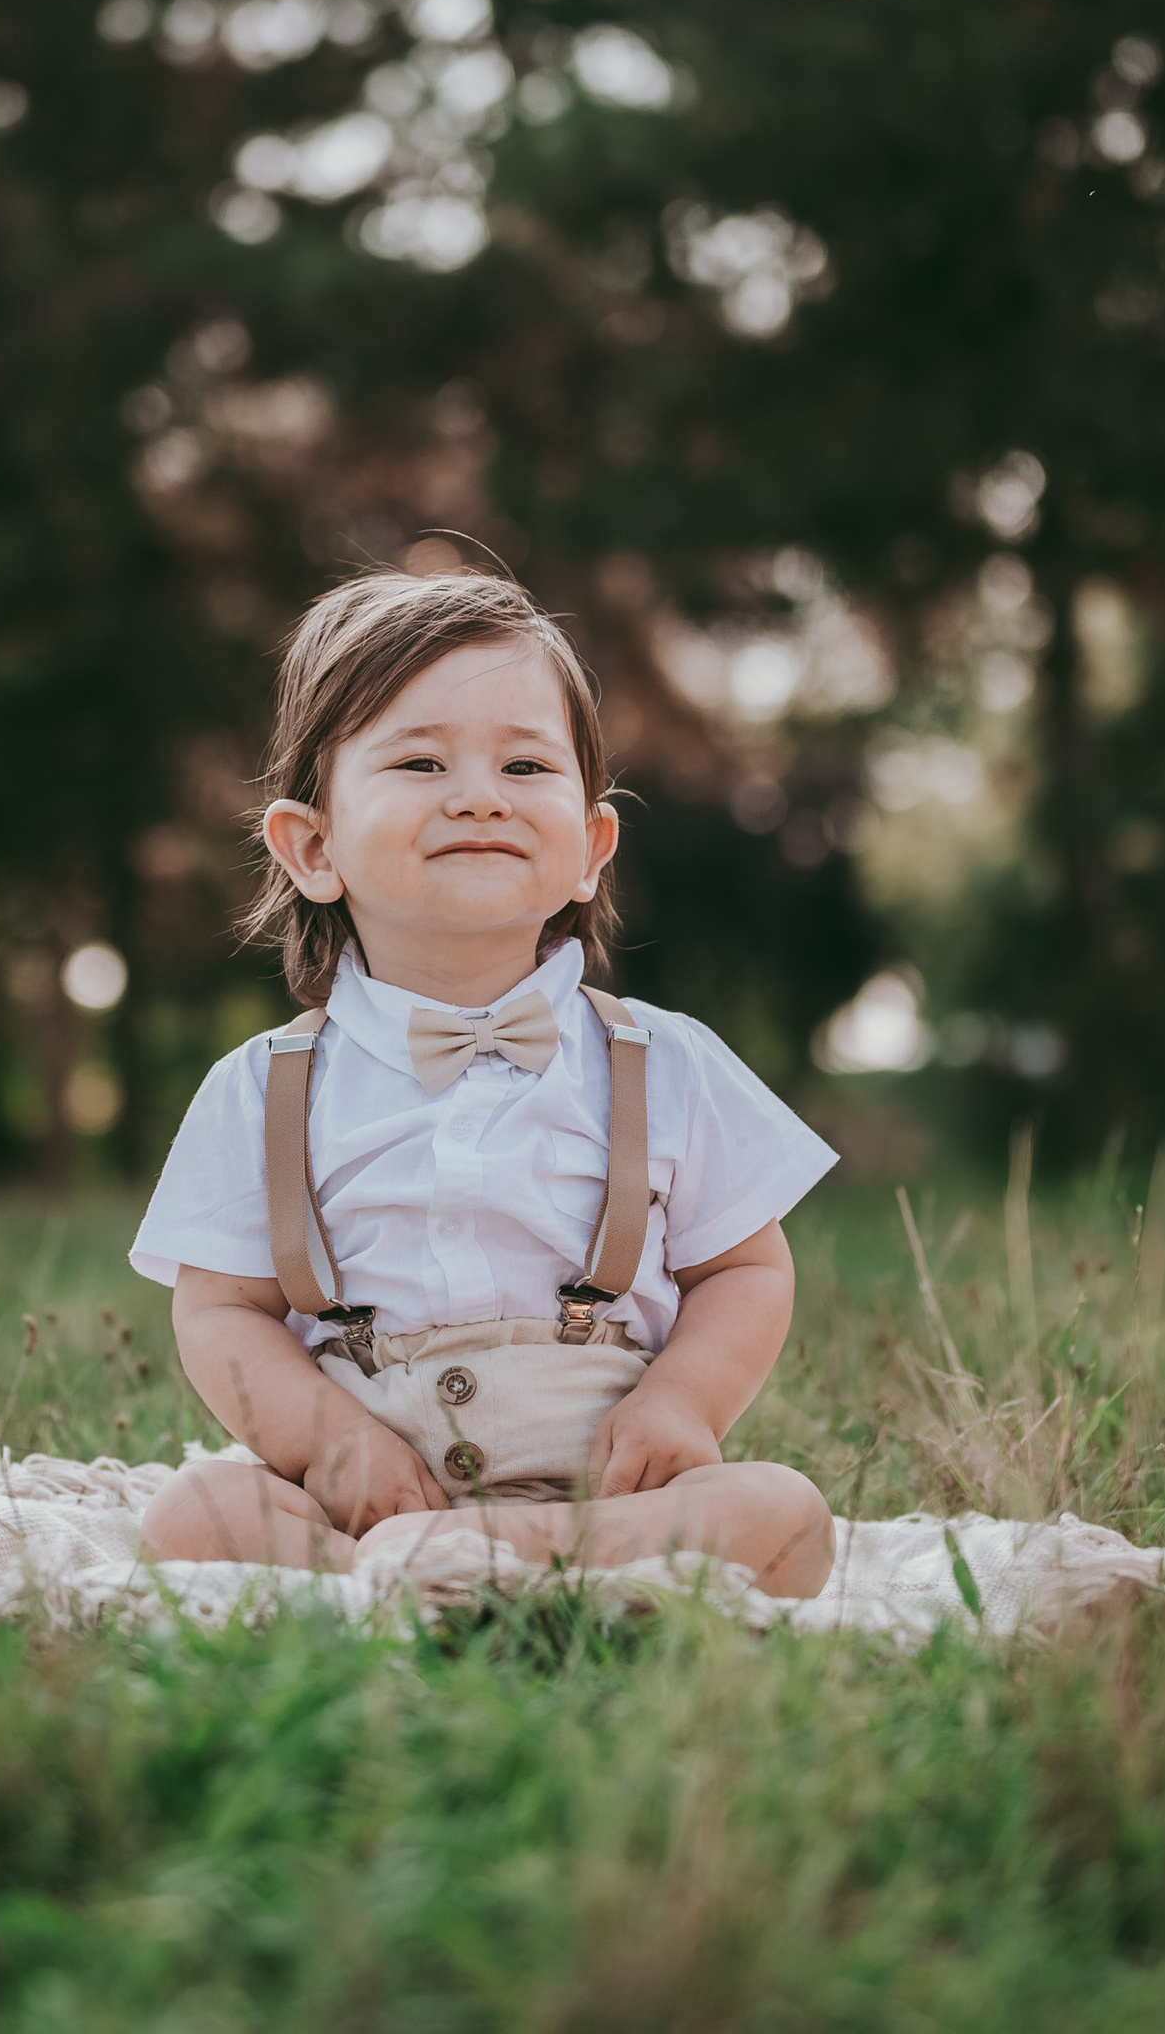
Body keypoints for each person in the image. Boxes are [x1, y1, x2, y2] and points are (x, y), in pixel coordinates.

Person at [131, 568, 840, 1598]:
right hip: (376, 1497)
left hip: (603, 1491)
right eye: (421, 761)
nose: (479, 795)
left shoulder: (667, 1061)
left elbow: (745, 1271)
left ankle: (506, 1566)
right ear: (313, 847)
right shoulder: (261, 1089)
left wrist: (682, 1403)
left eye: (524, 764)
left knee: (784, 1513)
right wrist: (331, 1443)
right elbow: (219, 1313)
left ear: (590, 848)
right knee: (191, 1515)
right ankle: (390, 1572)